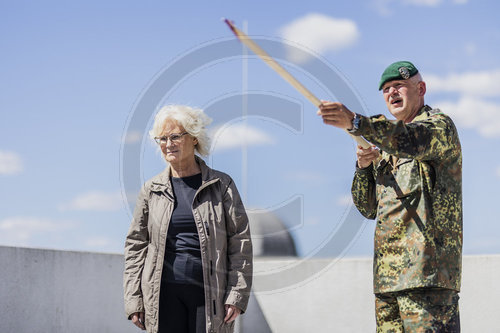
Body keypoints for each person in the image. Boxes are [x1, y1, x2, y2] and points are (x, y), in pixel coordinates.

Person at [317, 61, 462, 332]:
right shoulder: (386, 148)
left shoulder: (438, 128)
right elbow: (368, 208)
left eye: (399, 86)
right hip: (388, 281)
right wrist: (363, 168)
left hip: (426, 279)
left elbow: (410, 139)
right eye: (385, 89)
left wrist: (357, 123)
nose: (391, 92)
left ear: (420, 89)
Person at [123, 105, 253, 333]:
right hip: (163, 294)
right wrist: (134, 299)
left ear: (194, 138)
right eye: (161, 138)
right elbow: (136, 246)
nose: (167, 144)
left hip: (209, 294)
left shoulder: (222, 185)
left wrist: (236, 295)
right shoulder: (151, 190)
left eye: (174, 136)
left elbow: (240, 242)